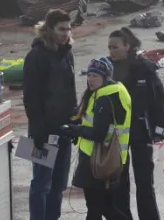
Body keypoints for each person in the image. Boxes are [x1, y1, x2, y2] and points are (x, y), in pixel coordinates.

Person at [57, 57, 131, 220]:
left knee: (98, 208)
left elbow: (99, 133)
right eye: (89, 75)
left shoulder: (104, 98)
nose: (90, 79)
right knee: (102, 208)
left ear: (105, 77)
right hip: (110, 159)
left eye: (95, 75)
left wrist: (73, 130)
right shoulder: (114, 91)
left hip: (98, 161)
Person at [25, 9, 79, 220]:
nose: (65, 33)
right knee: (41, 185)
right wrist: (38, 130)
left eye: (68, 29)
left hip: (63, 130)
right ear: (49, 29)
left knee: (58, 184)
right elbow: (31, 97)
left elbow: (70, 92)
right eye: (61, 29)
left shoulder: (67, 53)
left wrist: (75, 120)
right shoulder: (36, 56)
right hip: (44, 132)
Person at [108, 28, 164, 220]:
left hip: (141, 132)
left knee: (144, 183)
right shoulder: (107, 68)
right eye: (109, 47)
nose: (112, 51)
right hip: (117, 137)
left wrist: (160, 128)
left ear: (128, 46)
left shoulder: (145, 67)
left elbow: (158, 99)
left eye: (115, 47)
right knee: (119, 183)